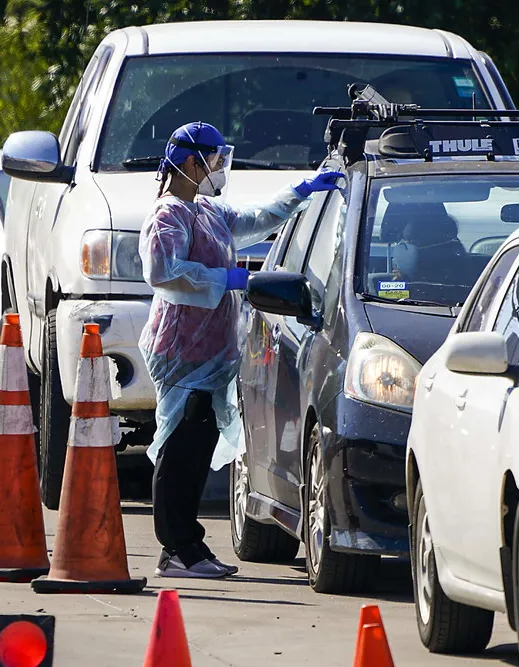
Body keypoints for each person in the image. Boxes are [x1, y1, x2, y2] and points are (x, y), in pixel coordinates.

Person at [139, 122, 342, 579]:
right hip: (180, 350)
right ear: (192, 163)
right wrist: (227, 279)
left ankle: (190, 544)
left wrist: (301, 191)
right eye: (214, 162)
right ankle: (176, 550)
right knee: (179, 449)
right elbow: (162, 270)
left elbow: (254, 219)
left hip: (208, 353)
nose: (219, 171)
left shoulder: (206, 210)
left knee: (197, 446)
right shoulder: (167, 215)